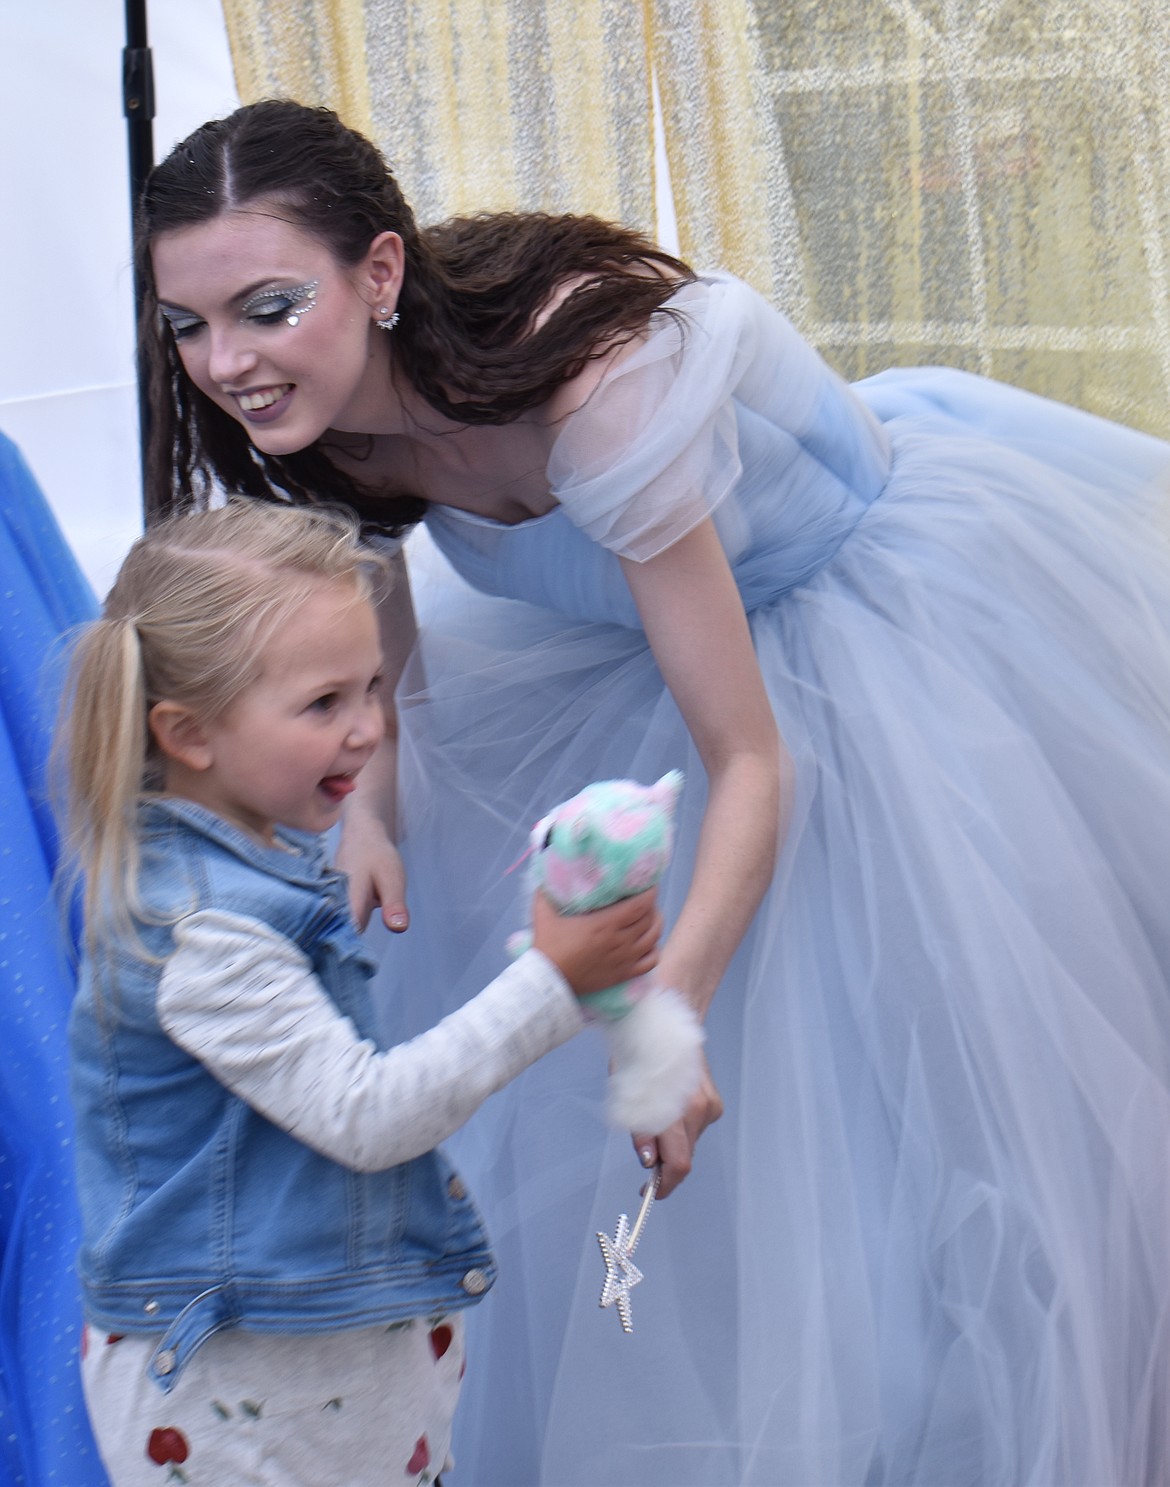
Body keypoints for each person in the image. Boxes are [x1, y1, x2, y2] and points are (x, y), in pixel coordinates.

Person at [133, 98, 1170, 1486]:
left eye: (265, 306)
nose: (228, 363)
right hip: (619, 653)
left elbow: (750, 759)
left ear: (380, 274)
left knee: (930, 1096)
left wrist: (663, 1014)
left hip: (867, 632)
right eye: (190, 326)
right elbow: (386, 634)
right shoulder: (326, 424)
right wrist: (370, 802)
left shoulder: (596, 390)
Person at [57, 499, 661, 1486]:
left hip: (316, 1371)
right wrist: (556, 980)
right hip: (239, 1391)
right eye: (323, 702)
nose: (370, 727)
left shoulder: (260, 875)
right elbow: (368, 1111)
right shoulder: (200, 929)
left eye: (372, 688)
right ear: (188, 732)